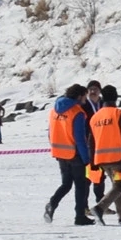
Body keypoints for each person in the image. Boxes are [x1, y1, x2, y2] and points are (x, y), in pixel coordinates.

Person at [44, 84, 94, 226]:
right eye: (85, 96)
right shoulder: (77, 112)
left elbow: (50, 132)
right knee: (81, 185)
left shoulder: (54, 110)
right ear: (79, 96)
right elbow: (79, 137)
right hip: (74, 153)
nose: (86, 99)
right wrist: (86, 157)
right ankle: (79, 216)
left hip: (59, 152)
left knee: (66, 184)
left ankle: (52, 203)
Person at [89, 85, 121, 226]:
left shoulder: (95, 117)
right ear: (116, 97)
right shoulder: (118, 114)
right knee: (119, 186)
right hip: (117, 158)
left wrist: (93, 161)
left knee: (116, 187)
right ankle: (99, 208)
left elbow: (90, 141)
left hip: (102, 159)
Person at [81, 80, 106, 208]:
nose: (92, 91)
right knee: (87, 177)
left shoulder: (103, 104)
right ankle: (84, 206)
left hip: (102, 144)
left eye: (95, 89)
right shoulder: (84, 105)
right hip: (87, 144)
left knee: (101, 176)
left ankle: (101, 204)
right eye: (90, 89)